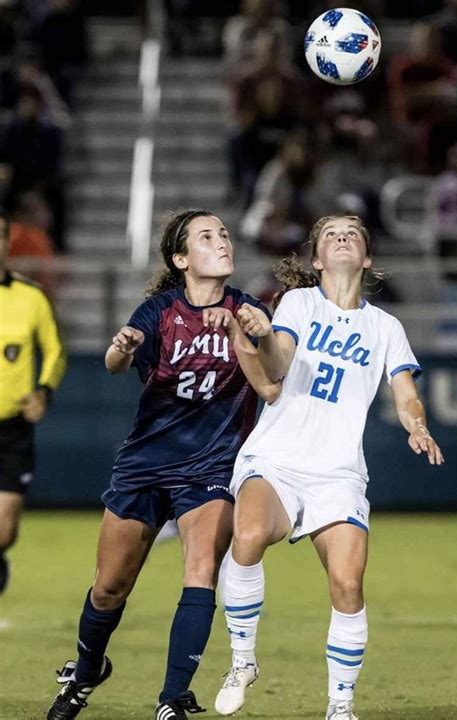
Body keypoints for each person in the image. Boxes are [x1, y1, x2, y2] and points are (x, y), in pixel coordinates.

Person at [46, 209, 281, 720]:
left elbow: (273, 377)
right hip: (145, 465)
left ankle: (171, 699)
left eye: (223, 233)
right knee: (109, 588)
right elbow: (115, 363)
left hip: (214, 466)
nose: (221, 241)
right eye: (206, 236)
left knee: (200, 573)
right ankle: (86, 675)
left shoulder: (248, 309)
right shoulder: (158, 311)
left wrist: (259, 331)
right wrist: (121, 348)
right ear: (181, 259)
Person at [214, 214, 444, 720]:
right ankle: (242, 661)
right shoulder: (298, 303)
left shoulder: (386, 327)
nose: (342, 238)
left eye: (352, 234)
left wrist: (417, 425)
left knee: (347, 583)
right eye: (331, 235)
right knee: (248, 535)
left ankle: (340, 707)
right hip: (276, 458)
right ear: (317, 259)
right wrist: (264, 336)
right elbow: (276, 368)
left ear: (366, 258)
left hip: (338, 471)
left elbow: (406, 393)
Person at [0, 209, 66, 594]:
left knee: (5, 531)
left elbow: (55, 350)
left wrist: (44, 391)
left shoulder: (31, 297)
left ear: (8, 243)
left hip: (12, 427)